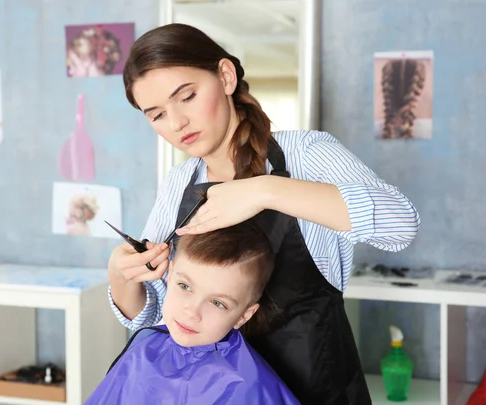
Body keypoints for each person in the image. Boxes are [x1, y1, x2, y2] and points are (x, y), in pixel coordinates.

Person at [107, 23, 421, 404]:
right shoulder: (179, 182)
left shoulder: (307, 153)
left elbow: (400, 225)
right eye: (156, 115)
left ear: (225, 76)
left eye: (187, 96)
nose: (176, 124)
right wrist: (122, 275)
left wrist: (265, 190)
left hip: (317, 392)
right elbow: (155, 312)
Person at [87, 218, 300, 405]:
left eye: (217, 303)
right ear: (169, 277)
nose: (192, 312)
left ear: (244, 316)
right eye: (185, 286)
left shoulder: (249, 386)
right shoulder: (144, 351)